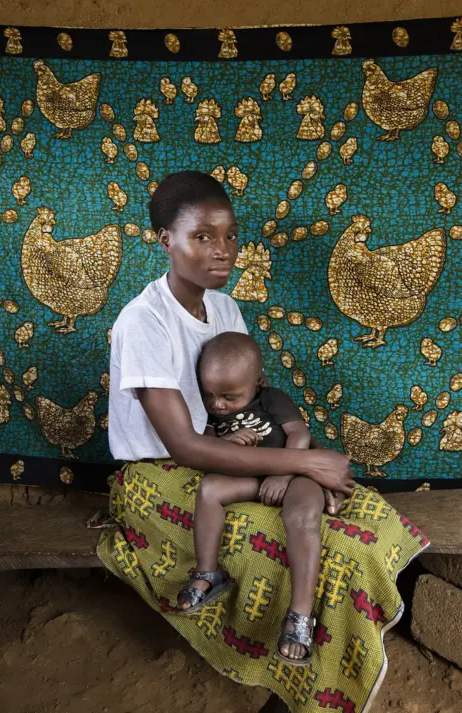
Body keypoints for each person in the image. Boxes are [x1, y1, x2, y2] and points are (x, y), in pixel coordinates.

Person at [99, 170, 429, 713]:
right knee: (313, 549)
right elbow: (183, 447)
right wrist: (302, 464)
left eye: (230, 235)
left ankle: (307, 663)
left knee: (362, 516)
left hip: (235, 451)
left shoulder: (224, 309)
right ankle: (295, 684)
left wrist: (294, 462)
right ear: (165, 241)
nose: (222, 250)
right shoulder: (145, 321)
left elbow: (252, 400)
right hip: (160, 475)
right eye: (202, 236)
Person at [178, 331, 330, 666]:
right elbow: (207, 446)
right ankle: (207, 574)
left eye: (229, 397)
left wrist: (284, 473)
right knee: (209, 489)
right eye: (210, 395)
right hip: (252, 479)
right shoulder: (214, 414)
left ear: (258, 381)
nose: (218, 404)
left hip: (294, 475)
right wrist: (228, 439)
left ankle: (300, 614)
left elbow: (299, 434)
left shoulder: (271, 399)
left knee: (301, 515)